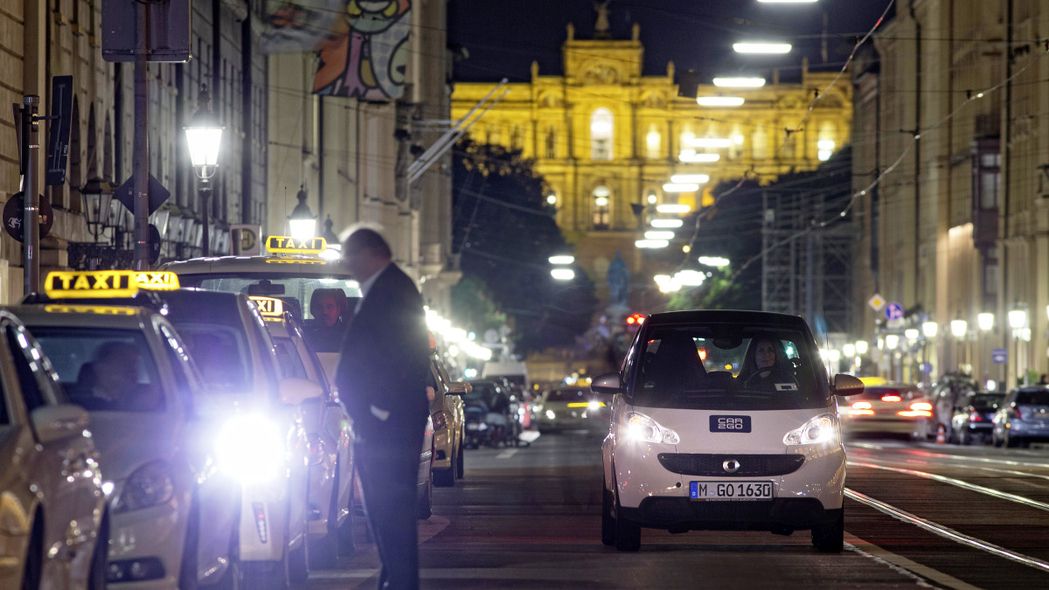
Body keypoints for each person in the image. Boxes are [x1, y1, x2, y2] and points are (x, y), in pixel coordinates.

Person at [335, 227, 429, 590]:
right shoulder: (388, 288)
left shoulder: (393, 291)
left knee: (390, 514)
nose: (348, 264)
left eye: (350, 256)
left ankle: (401, 583)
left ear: (371, 254)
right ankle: (394, 581)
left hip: (387, 426)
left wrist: (379, 410)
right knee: (386, 515)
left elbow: (406, 354)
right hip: (382, 422)